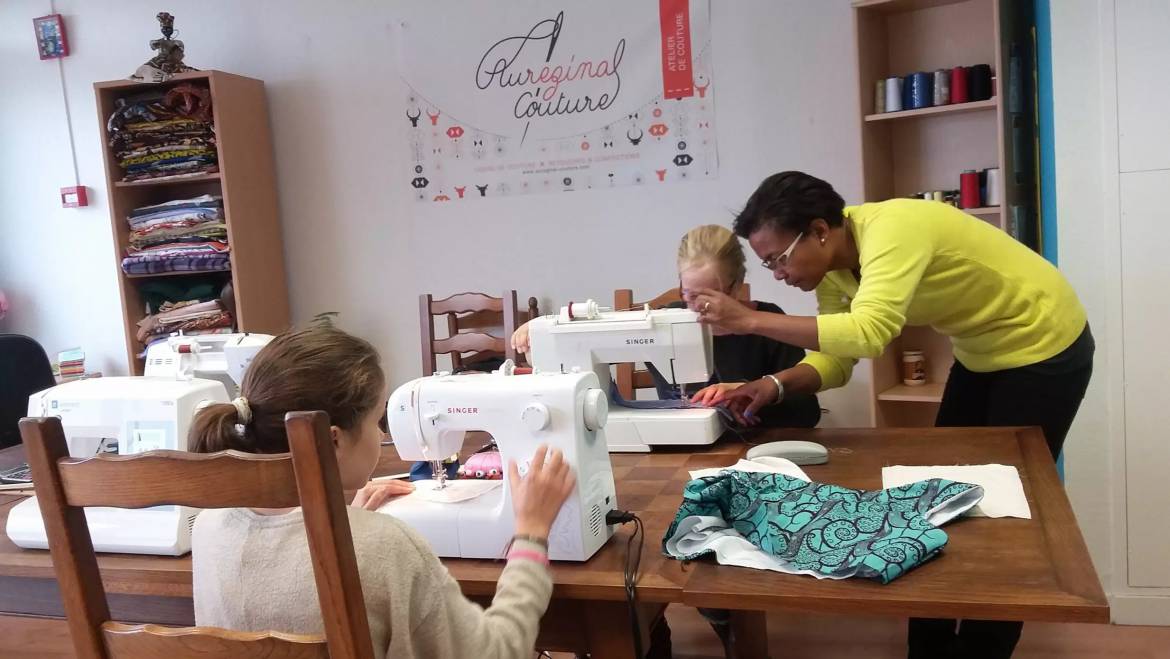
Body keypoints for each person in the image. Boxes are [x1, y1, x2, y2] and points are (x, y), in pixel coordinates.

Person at [692, 171, 1093, 659]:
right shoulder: (835, 272)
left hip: (1046, 347)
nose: (778, 274)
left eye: (779, 258)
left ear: (819, 231)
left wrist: (748, 319)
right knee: (938, 498)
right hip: (980, 354)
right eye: (767, 263)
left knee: (1009, 514)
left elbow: (870, 332)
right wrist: (772, 385)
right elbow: (838, 359)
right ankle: (926, 648)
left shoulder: (894, 230)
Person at [188, 320, 576, 658]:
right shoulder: (383, 547)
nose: (380, 435)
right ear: (333, 440)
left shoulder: (209, 525)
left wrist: (345, 524)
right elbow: (497, 653)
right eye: (377, 421)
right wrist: (531, 534)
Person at [512, 224, 820, 429]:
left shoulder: (770, 324)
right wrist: (543, 329)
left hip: (758, 456)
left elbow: (808, 413)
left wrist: (752, 391)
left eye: (709, 296)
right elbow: (593, 331)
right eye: (688, 294)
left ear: (737, 286)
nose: (696, 307)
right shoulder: (664, 321)